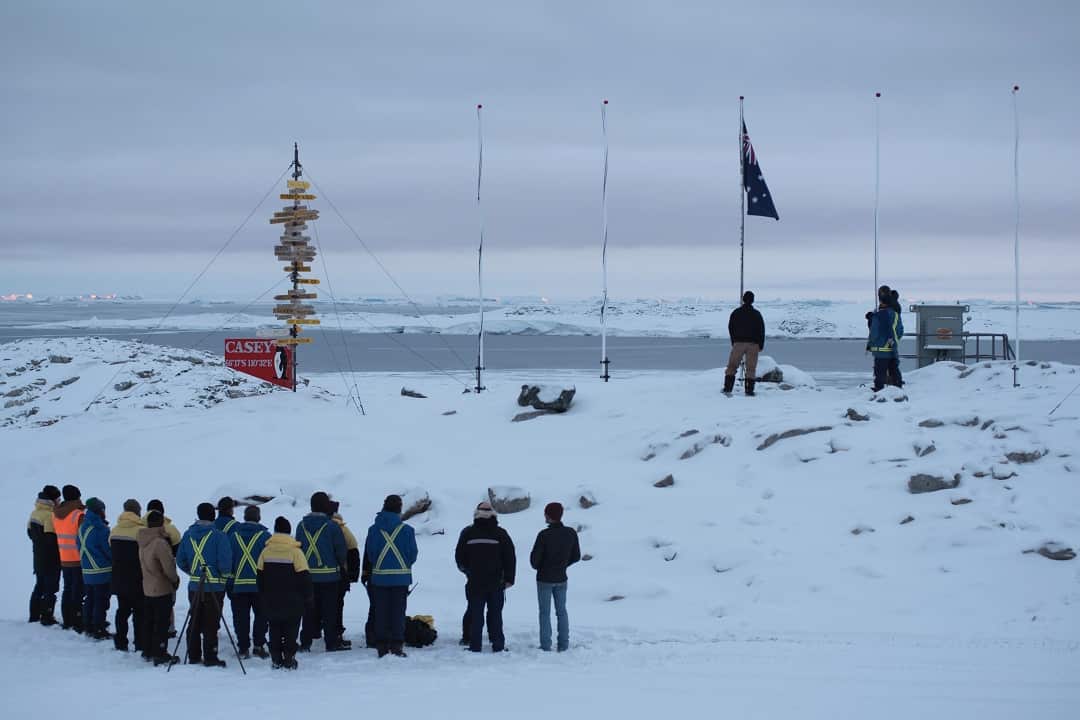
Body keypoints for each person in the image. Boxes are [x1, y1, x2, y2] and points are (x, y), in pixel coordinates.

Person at [176, 502, 233, 667]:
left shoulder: (188, 535)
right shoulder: (219, 536)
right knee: (211, 623)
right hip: (214, 588)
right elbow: (225, 564)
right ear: (213, 516)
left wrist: (194, 573)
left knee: (194, 620)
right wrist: (222, 576)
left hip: (194, 586)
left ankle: (193, 654)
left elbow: (181, 560)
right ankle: (210, 656)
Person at [455, 501, 516, 653]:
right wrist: (509, 578)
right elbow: (510, 557)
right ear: (493, 515)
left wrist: (468, 572)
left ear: (476, 514)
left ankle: (475, 646)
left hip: (475, 581)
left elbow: (459, 557)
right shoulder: (501, 533)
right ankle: (498, 645)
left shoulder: (468, 533)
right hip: (497, 582)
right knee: (495, 614)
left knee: (476, 614)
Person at [364, 494, 418, 658]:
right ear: (399, 509)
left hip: (379, 577)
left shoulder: (373, 530)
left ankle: (381, 645)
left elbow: (371, 554)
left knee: (380, 612)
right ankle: (396, 645)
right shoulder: (407, 530)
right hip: (401, 579)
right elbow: (412, 554)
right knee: (398, 612)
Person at [257, 516, 313, 670]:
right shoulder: (296, 553)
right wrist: (308, 597)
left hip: (271, 599)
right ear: (289, 532)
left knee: (274, 628)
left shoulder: (265, 552)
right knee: (291, 629)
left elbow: (259, 577)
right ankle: (289, 658)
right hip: (293, 600)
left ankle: (276, 658)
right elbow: (304, 577)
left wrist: (262, 595)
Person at [296, 491, 349, 652]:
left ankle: (305, 642)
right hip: (330, 577)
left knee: (308, 610)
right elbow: (341, 551)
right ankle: (331, 642)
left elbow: (298, 548)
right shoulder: (332, 527)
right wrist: (342, 567)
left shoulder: (301, 526)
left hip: (307, 576)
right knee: (329, 611)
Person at [530, 502, 580, 652]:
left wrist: (542, 567)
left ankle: (545, 645)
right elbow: (576, 556)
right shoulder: (571, 533)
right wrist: (563, 565)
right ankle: (563, 644)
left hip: (544, 579)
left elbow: (534, 561)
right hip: (561, 578)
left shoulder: (544, 535)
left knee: (544, 613)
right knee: (562, 611)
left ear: (548, 515)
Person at [138, 510, 180, 666]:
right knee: (161, 623)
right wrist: (175, 580)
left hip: (147, 586)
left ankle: (148, 650)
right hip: (161, 587)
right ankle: (160, 652)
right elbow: (168, 567)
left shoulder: (142, 539)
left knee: (149, 620)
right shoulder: (159, 543)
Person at [230, 505, 269, 659]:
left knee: (240, 617)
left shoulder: (233, 536)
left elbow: (229, 559)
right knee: (261, 616)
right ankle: (259, 645)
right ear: (258, 518)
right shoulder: (265, 537)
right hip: (259, 584)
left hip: (238, 584)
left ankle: (243, 647)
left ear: (244, 517)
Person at [109, 499, 146, 652]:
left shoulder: (114, 530)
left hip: (118, 577)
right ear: (137, 511)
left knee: (122, 610)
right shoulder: (141, 531)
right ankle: (140, 643)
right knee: (139, 612)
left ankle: (120, 641)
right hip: (137, 577)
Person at [76, 497, 113, 640]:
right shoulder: (101, 529)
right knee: (101, 601)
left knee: (90, 599)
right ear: (100, 511)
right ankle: (99, 628)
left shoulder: (82, 527)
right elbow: (107, 550)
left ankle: (89, 625)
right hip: (101, 571)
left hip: (86, 570)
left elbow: (78, 545)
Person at [145, 498, 180, 637]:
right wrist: (174, 578)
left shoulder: (139, 527)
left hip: (144, 572)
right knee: (167, 603)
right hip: (164, 575)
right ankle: (169, 628)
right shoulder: (170, 529)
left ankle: (149, 630)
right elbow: (177, 553)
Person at [27, 485, 62, 625]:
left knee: (39, 586)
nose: (59, 501)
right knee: (50, 589)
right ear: (52, 499)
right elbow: (51, 539)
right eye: (58, 499)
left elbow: (29, 533)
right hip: (50, 559)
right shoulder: (49, 515)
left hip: (38, 556)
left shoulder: (35, 513)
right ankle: (47, 616)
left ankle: (34, 615)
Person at [54, 484, 86, 631]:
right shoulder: (78, 515)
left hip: (64, 557)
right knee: (78, 590)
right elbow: (83, 536)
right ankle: (77, 619)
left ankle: (67, 619)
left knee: (67, 589)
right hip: (78, 558)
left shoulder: (56, 513)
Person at [330, 500, 360, 650]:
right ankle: (336, 635)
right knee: (337, 606)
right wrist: (353, 574)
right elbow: (353, 550)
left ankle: (313, 633)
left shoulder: (314, 528)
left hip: (315, 574)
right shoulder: (342, 529)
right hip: (339, 574)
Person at [725, 290, 766, 396]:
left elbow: (731, 328)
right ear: (753, 300)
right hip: (753, 345)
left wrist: (734, 341)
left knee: (732, 366)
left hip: (738, 343)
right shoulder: (757, 314)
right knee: (751, 368)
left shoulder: (736, 313)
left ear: (743, 299)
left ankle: (727, 388)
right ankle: (749, 390)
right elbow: (761, 330)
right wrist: (760, 345)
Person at [868, 295, 902, 392]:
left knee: (880, 374)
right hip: (892, 348)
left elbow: (874, 332)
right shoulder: (896, 315)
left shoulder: (878, 316)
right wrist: (894, 342)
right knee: (894, 371)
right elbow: (900, 331)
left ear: (882, 303)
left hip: (880, 351)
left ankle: (879, 392)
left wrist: (873, 343)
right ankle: (898, 391)